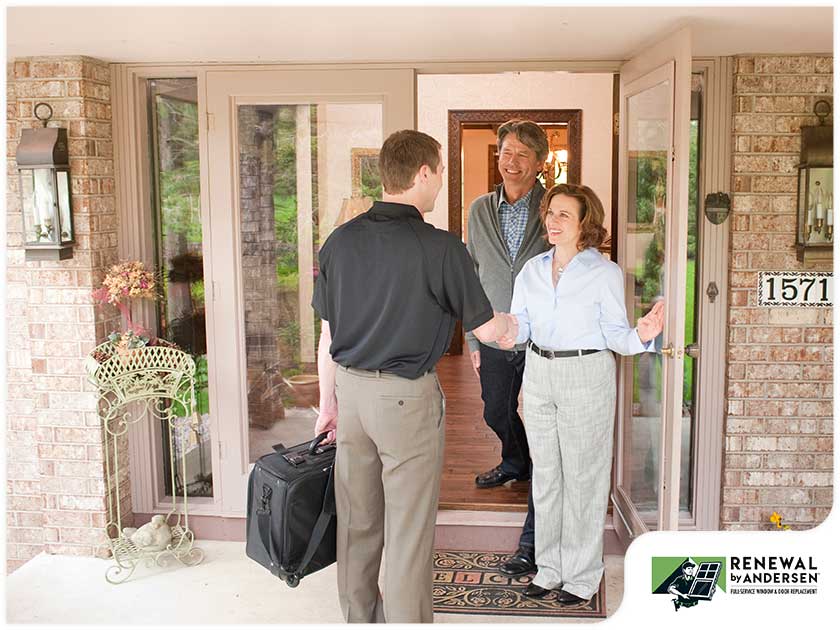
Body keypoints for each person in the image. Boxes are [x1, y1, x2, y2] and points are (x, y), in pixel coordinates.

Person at [311, 129, 518, 623]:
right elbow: (488, 329)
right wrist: (516, 324)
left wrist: (328, 406)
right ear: (423, 173)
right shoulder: (441, 247)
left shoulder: (339, 242)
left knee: (357, 523)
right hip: (405, 400)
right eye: (441, 171)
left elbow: (326, 335)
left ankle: (360, 620)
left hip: (351, 393)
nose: (441, 180)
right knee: (408, 529)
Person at [501, 183, 665, 605]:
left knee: (583, 479)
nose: (553, 221)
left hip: (586, 373)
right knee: (546, 476)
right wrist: (502, 331)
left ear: (584, 223)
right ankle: (549, 569)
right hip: (539, 371)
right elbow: (521, 325)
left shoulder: (604, 273)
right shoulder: (531, 270)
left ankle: (581, 576)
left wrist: (641, 334)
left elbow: (615, 335)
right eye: (550, 212)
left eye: (564, 215)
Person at [465, 119, 551, 578]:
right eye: (506, 152)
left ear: (540, 162)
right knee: (495, 409)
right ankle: (516, 461)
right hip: (493, 332)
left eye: (522, 154)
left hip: (541, 336)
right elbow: (470, 273)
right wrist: (471, 337)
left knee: (538, 417)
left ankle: (539, 471)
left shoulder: (552, 208)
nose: (511, 161)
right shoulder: (480, 209)